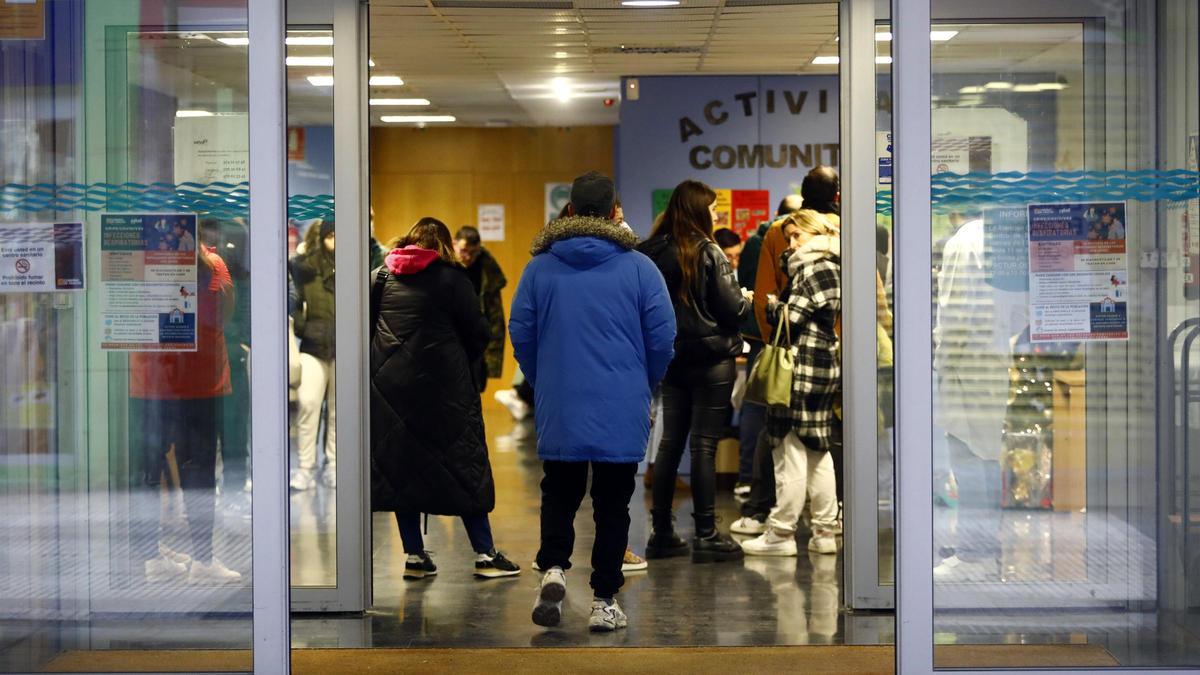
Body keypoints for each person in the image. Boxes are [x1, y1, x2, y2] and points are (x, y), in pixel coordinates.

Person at [511, 171, 676, 632]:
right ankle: (604, 600)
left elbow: (521, 331)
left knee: (559, 491)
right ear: (613, 213)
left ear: (568, 211)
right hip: (622, 399)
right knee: (613, 502)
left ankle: (554, 568)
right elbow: (663, 337)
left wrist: (546, 379)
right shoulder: (640, 267)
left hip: (560, 399)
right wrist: (645, 382)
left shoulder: (539, 266)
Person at [369, 217, 520, 580]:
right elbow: (478, 333)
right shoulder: (453, 279)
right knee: (463, 464)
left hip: (391, 388)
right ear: (445, 246)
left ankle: (415, 556)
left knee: (401, 468)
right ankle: (485, 553)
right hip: (445, 390)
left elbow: (369, 325)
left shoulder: (382, 277)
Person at [637, 180, 750, 563]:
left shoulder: (649, 251)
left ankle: (662, 532)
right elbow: (732, 309)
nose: (716, 215)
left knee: (670, 444)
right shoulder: (708, 251)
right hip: (712, 358)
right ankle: (705, 533)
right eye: (713, 209)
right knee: (704, 445)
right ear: (699, 210)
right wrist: (747, 300)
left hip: (671, 359)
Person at [133, 226, 241, 585]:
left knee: (150, 469)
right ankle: (202, 561)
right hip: (199, 381)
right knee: (199, 470)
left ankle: (151, 556)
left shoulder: (143, 262)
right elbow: (225, 313)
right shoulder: (213, 265)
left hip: (151, 380)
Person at [734, 172, 840, 534]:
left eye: (797, 235)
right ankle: (825, 527)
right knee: (819, 448)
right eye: (790, 235)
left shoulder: (811, 267)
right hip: (827, 361)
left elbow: (785, 314)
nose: (790, 241)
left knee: (789, 451)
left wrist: (771, 306)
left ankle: (780, 529)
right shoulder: (840, 253)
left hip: (800, 364)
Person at [734, 195, 803, 497]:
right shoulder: (764, 241)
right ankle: (753, 478)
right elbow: (760, 293)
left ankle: (753, 478)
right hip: (771, 335)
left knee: (759, 403)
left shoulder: (756, 240)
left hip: (765, 334)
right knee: (762, 405)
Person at [290, 219, 337, 491]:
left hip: (344, 346)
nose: (334, 241)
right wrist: (301, 324)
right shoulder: (304, 266)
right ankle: (305, 467)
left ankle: (333, 464)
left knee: (338, 412)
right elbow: (293, 299)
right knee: (308, 405)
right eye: (330, 235)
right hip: (313, 344)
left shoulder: (353, 263)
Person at [454, 226, 507, 392]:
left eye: (474, 252)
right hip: (451, 340)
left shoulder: (487, 271)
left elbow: (496, 318)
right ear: (454, 244)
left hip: (475, 344)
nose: (468, 257)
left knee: (473, 393)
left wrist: (491, 358)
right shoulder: (445, 267)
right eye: (464, 251)